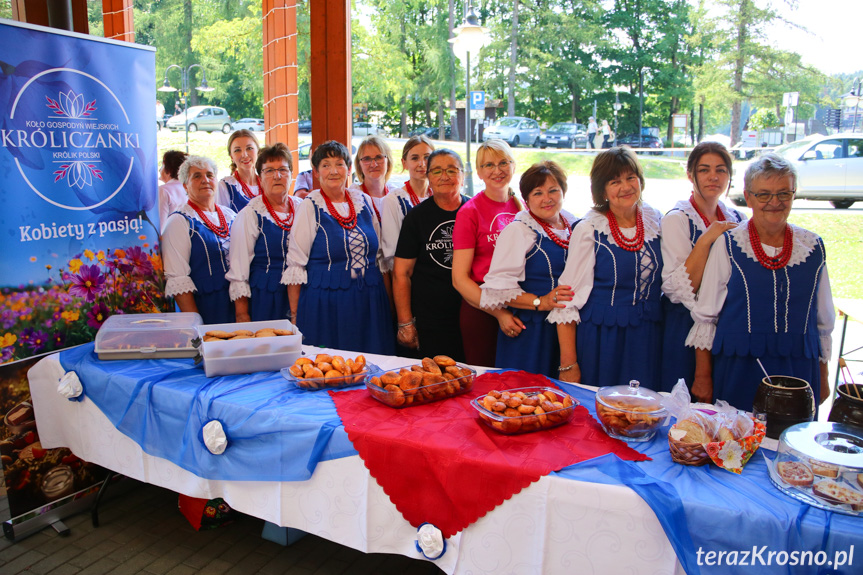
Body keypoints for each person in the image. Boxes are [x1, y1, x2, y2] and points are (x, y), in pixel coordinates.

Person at [687, 153, 835, 411]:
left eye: (783, 194)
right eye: (764, 194)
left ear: (794, 194)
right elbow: (706, 315)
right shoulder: (730, 243)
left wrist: (822, 375)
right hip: (740, 364)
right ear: (748, 196)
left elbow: (823, 321)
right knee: (736, 444)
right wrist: (703, 376)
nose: (774, 202)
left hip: (799, 367)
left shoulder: (812, 247)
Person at [550, 147, 664, 389]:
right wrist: (568, 365)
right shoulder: (590, 228)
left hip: (648, 337)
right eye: (615, 181)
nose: (626, 187)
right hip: (604, 339)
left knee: (643, 415)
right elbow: (567, 300)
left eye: (631, 178)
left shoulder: (654, 219)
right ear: (602, 189)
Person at [285, 140, 395, 355]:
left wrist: (389, 306)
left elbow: (379, 258)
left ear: (349, 169)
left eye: (339, 164)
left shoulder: (363, 201)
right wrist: (296, 318)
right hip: (326, 305)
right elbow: (296, 265)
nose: (333, 171)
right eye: (326, 165)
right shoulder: (310, 206)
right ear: (316, 172)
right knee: (330, 368)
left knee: (373, 366)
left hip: (370, 302)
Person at [660, 142, 745, 392]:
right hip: (685, 323)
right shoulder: (678, 218)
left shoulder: (738, 218)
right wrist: (708, 238)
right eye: (704, 170)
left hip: (727, 323)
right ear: (690, 175)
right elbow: (679, 290)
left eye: (721, 170)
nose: (713, 177)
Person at [479, 161, 576, 377]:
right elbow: (497, 290)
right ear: (526, 199)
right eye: (537, 193)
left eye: (553, 190)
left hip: (568, 328)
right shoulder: (519, 231)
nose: (547, 198)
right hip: (532, 330)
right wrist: (540, 302)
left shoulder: (573, 223)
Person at [452, 139, 523, 367]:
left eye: (503, 162)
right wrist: (500, 313)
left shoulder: (523, 207)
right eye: (488, 165)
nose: (497, 170)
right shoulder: (469, 212)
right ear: (479, 172)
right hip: (482, 310)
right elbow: (460, 279)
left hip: (520, 305)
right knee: (487, 384)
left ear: (513, 166)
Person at [393, 149, 467, 360]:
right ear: (428, 177)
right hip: (430, 319)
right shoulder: (416, 218)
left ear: (462, 176)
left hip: (473, 314)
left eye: (451, 170)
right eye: (436, 171)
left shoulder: (474, 211)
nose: (444, 176)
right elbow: (401, 273)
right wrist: (405, 323)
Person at [226, 143, 304, 323]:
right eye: (269, 171)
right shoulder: (250, 214)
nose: (277, 176)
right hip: (267, 297)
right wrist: (242, 314)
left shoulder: (302, 208)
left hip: (302, 294)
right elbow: (239, 271)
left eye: (283, 170)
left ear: (291, 175)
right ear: (260, 177)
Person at [162, 156, 236, 324]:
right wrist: (197, 326)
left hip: (238, 303)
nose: (205, 180)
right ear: (185, 186)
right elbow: (178, 280)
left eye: (210, 175)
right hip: (206, 306)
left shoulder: (230, 216)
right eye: (197, 176)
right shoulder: (179, 222)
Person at [380, 135, 434, 272]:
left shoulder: (441, 197)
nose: (422, 163)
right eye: (415, 158)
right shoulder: (393, 201)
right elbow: (392, 256)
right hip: (411, 276)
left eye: (427, 157)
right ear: (404, 163)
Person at [349, 136, 397, 224]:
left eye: (379, 157)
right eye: (367, 159)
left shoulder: (396, 195)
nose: (374, 164)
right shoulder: (352, 196)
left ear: (388, 162)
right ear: (359, 165)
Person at [217, 129, 262, 213]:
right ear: (231, 157)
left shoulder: (266, 182)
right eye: (237, 150)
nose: (244, 155)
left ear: (258, 151)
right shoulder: (225, 186)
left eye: (249, 148)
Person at [158, 150, 188, 232]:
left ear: (169, 170)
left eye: (162, 165)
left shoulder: (163, 190)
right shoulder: (189, 187)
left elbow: (160, 226)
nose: (159, 170)